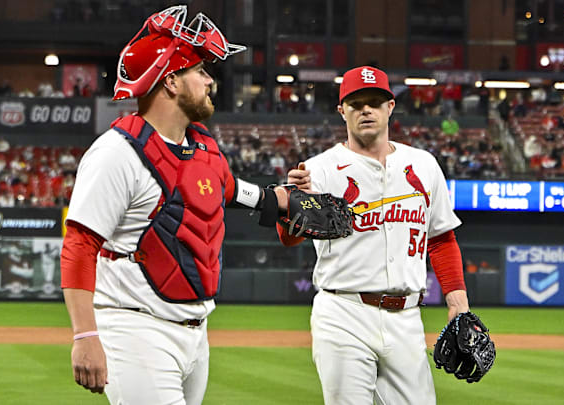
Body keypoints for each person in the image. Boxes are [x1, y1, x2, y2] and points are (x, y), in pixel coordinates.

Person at [60, 6, 310, 404]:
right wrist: (85, 335)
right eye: (201, 71)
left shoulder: (204, 148)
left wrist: (280, 199)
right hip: (136, 329)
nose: (211, 80)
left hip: (197, 332)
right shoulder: (116, 153)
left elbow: (234, 192)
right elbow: (79, 243)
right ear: (171, 82)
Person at [281, 66, 471, 404]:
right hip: (344, 311)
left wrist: (458, 303)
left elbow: (441, 239)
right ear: (342, 111)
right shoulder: (318, 169)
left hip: (407, 317)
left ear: (390, 107)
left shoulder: (424, 164)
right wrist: (296, 204)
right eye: (356, 103)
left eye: (374, 101)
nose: (366, 109)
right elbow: (289, 238)